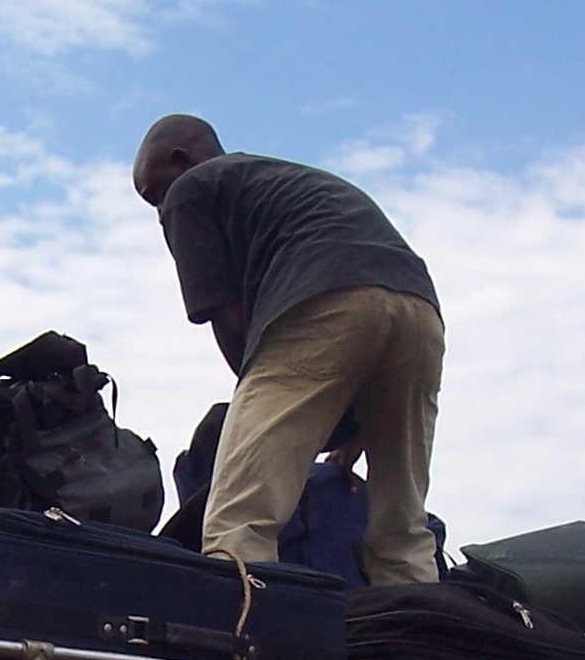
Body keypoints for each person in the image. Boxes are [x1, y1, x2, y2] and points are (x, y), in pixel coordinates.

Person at [132, 114, 445, 584]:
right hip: (419, 310)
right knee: (403, 530)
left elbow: (228, 317)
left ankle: (244, 639)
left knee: (241, 518)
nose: (159, 209)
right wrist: (354, 426)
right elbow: (376, 327)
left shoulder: (191, 188)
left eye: (153, 193)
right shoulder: (283, 180)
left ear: (181, 159)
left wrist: (261, 406)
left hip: (324, 298)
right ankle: (418, 644)